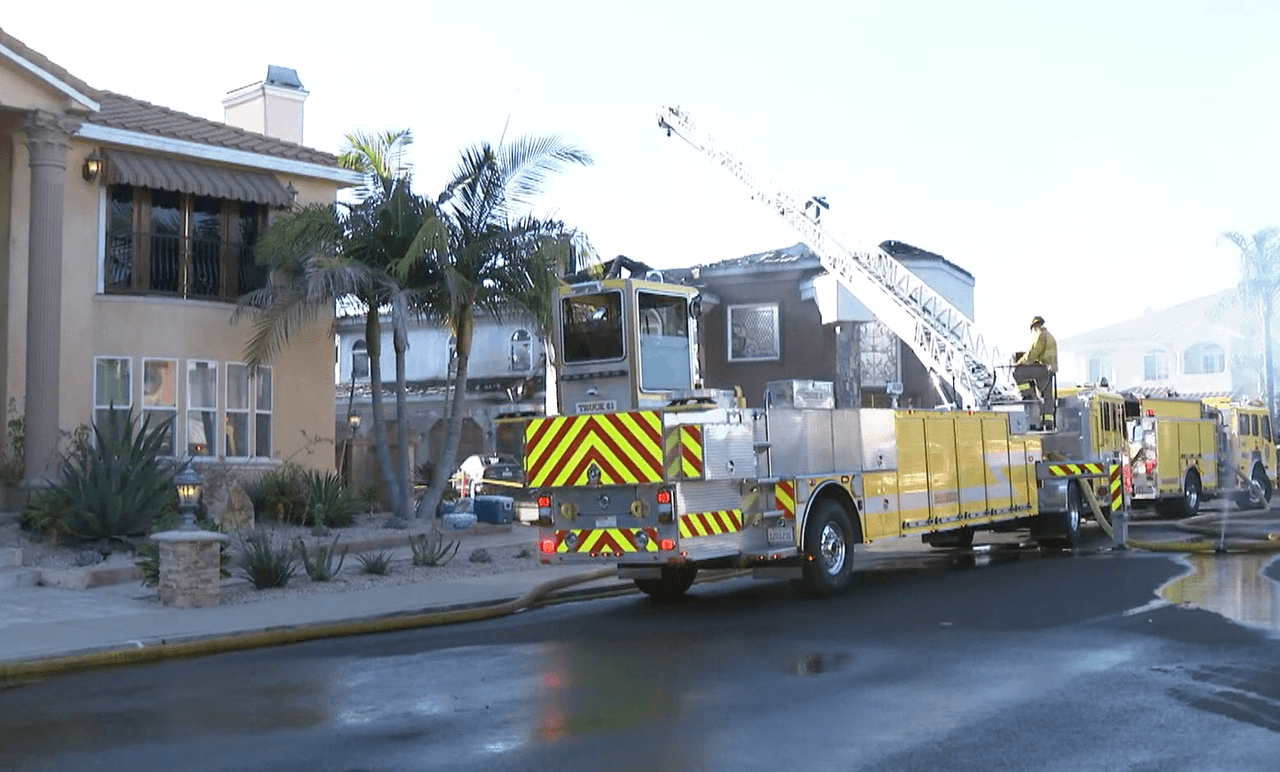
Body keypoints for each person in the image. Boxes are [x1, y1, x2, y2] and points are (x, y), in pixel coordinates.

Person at [1013, 315, 1058, 428]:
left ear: (1035, 326)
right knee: (1047, 396)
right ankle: (1048, 422)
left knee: (1018, 372)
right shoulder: (1050, 336)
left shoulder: (1040, 334)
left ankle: (1028, 395)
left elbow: (1032, 353)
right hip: (1050, 370)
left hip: (1042, 368)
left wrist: (1020, 362)